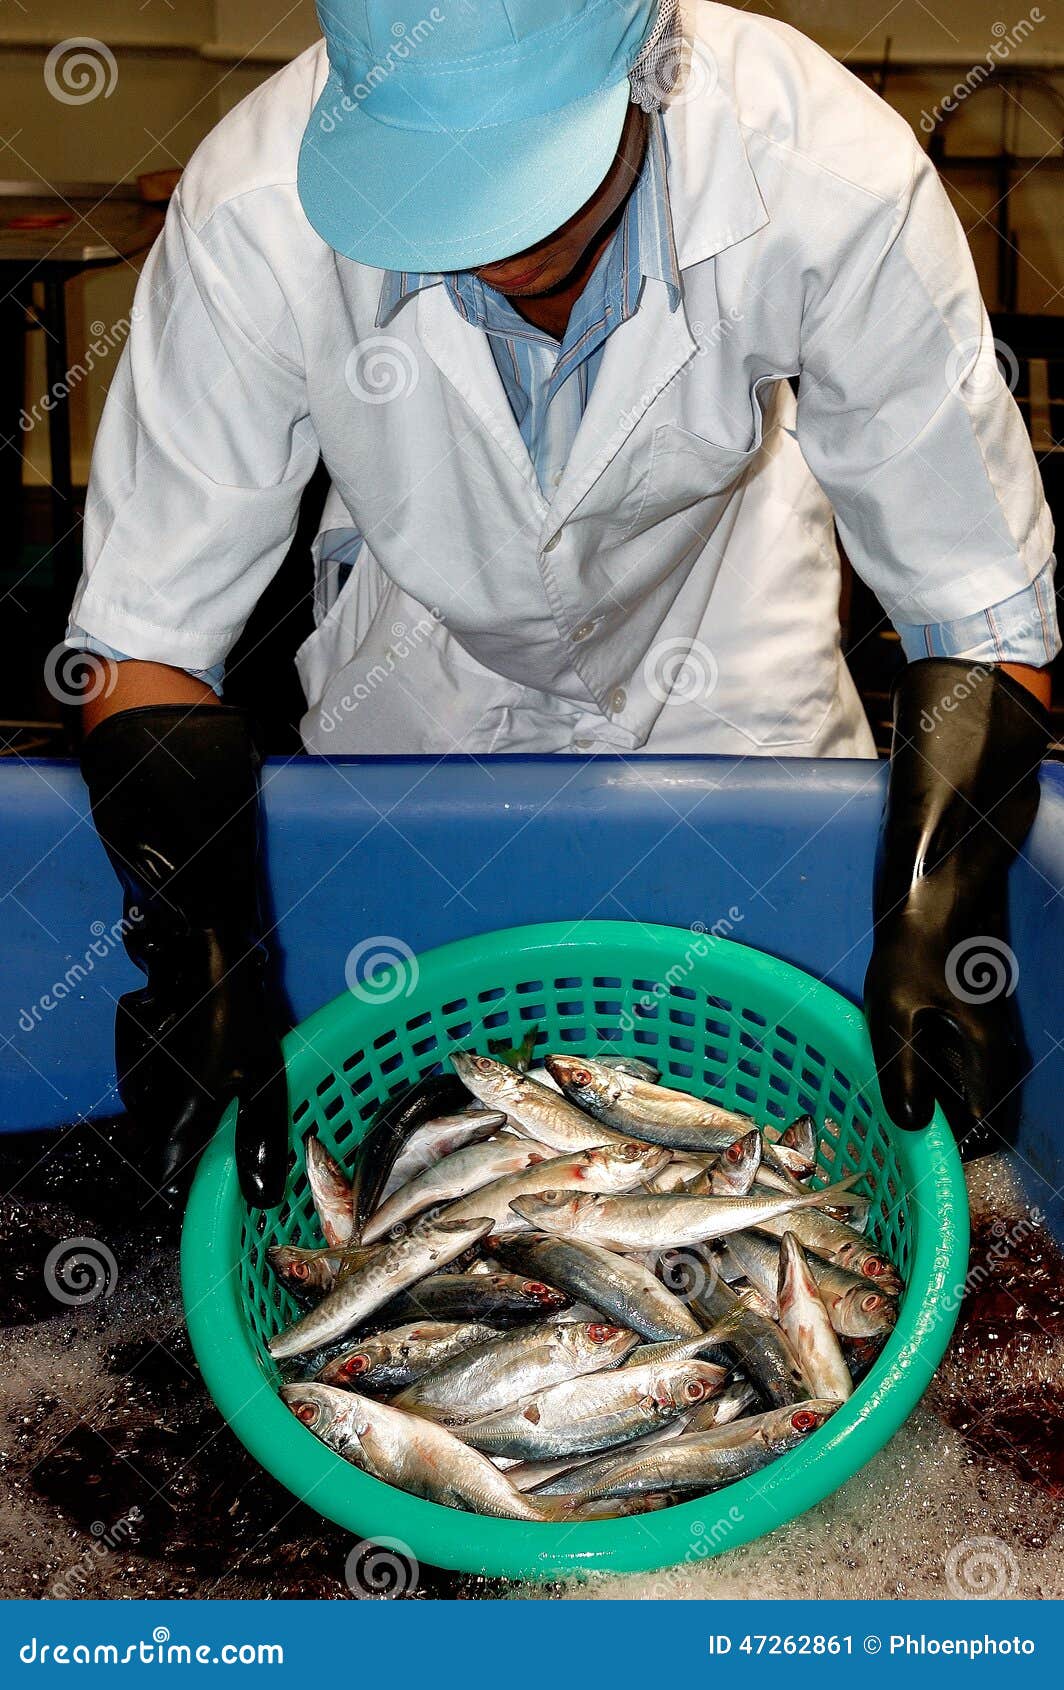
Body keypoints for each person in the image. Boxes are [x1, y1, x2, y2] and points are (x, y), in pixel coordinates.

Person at [69, 0, 1057, 1206]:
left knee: (790, 1139)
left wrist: (943, 909)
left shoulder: (823, 171)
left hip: (725, 648)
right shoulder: (253, 211)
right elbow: (141, 636)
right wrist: (196, 955)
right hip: (417, 670)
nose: (485, 239)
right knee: (401, 1131)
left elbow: (976, 602)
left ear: (642, 67)